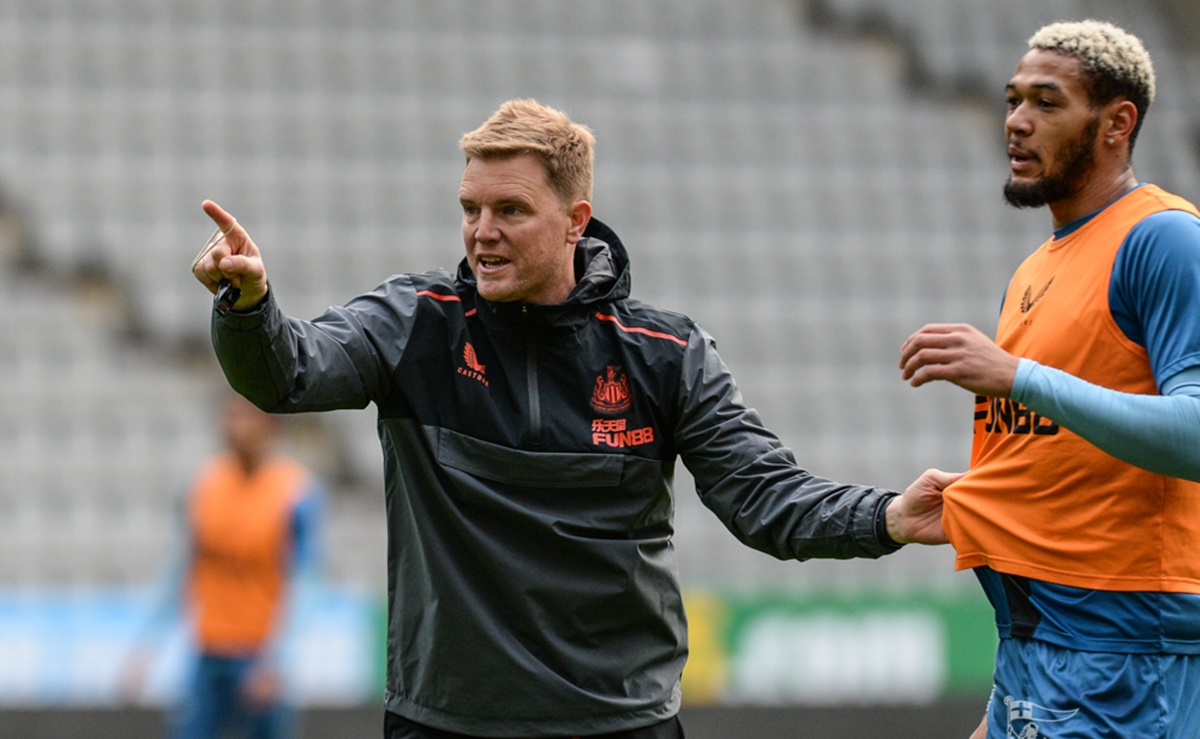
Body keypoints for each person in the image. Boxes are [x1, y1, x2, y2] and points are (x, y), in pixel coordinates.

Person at [192, 98, 957, 739]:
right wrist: (248, 303)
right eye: (470, 209)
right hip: (447, 721)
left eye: (510, 210)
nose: (481, 231)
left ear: (574, 220)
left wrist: (885, 515)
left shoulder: (666, 354)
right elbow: (286, 372)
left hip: (618, 720)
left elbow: (764, 498)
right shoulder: (415, 323)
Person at [898, 20, 1200, 739]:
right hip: (1035, 655)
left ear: (1117, 123)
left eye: (1046, 102)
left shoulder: (1163, 239)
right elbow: (1056, 458)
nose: (1017, 123)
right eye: (1012, 101)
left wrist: (1019, 375)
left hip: (1129, 660)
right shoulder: (1034, 270)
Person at [125, 393, 324, 739]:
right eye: (231, 417)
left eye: (247, 417)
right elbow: (179, 572)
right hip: (209, 651)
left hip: (259, 656)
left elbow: (305, 582)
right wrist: (145, 647)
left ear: (272, 427)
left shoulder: (296, 493)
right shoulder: (204, 487)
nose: (236, 427)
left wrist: (278, 660)